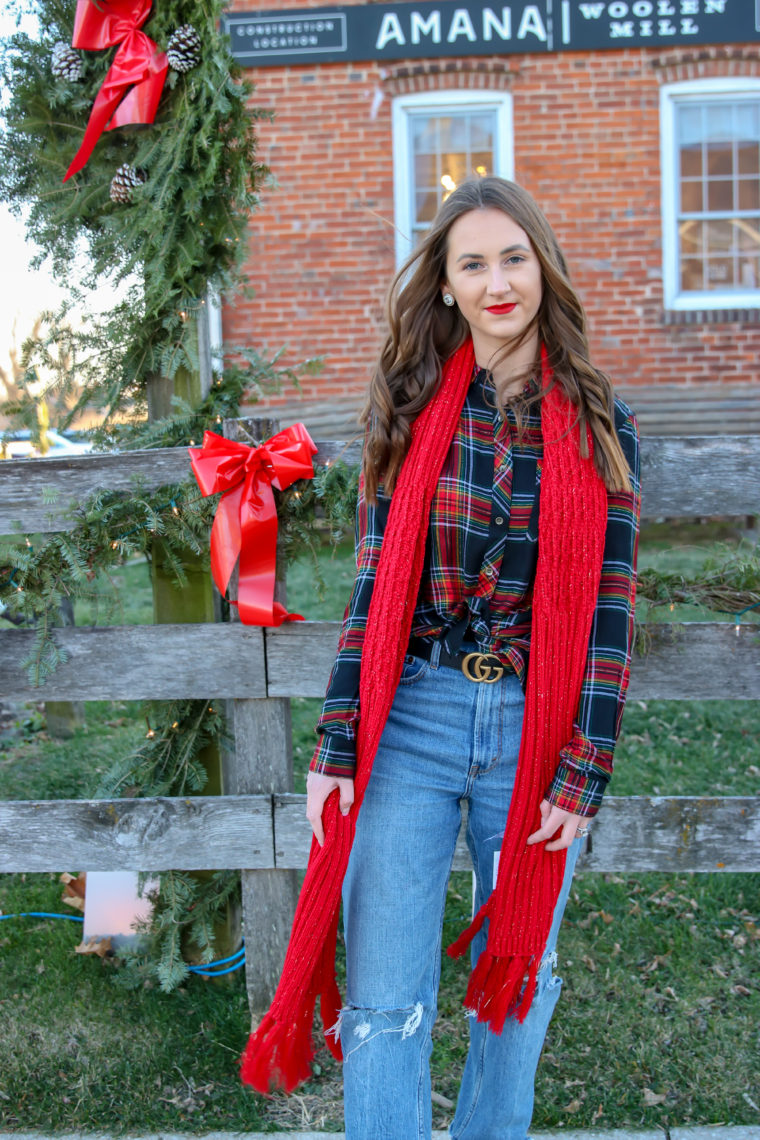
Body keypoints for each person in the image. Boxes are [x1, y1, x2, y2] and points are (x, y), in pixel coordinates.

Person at [241, 176, 640, 1140]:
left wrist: (582, 770)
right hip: (411, 723)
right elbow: (374, 586)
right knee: (383, 1001)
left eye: (515, 257)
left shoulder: (598, 420)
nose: (499, 281)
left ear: (541, 266)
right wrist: (338, 745)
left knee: (517, 986)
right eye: (474, 263)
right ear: (447, 285)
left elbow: (611, 610)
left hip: (534, 733)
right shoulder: (413, 405)